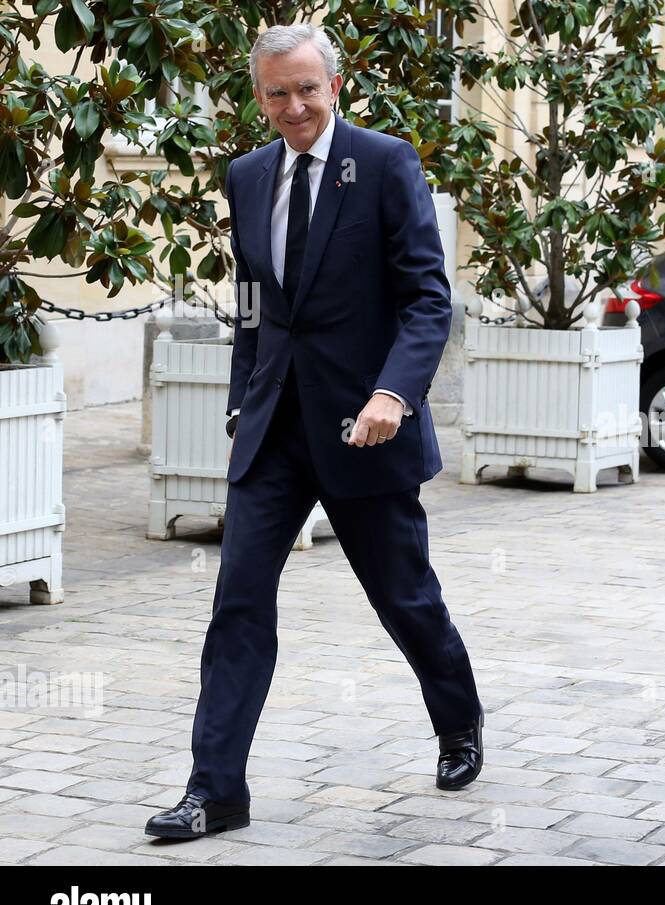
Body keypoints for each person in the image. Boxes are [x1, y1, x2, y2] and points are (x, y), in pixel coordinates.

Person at [145, 23, 484, 840]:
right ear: (258, 97)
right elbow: (256, 303)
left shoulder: (386, 162)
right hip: (274, 433)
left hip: (365, 425)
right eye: (276, 92)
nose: (294, 105)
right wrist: (239, 401)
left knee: (405, 598)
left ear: (336, 85)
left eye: (307, 88)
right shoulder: (248, 174)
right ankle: (215, 789)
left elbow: (427, 298)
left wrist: (393, 395)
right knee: (238, 603)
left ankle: (458, 721)